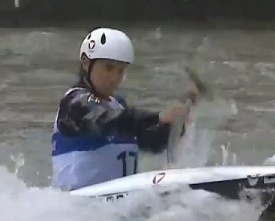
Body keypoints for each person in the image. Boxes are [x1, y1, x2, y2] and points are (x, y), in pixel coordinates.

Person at [51, 27, 198, 191]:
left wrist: (177, 122)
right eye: (108, 68)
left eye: (120, 70)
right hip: (76, 208)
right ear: (86, 63)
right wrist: (158, 117)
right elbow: (108, 120)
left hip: (117, 207)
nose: (115, 78)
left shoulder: (118, 106)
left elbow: (152, 142)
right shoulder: (74, 104)